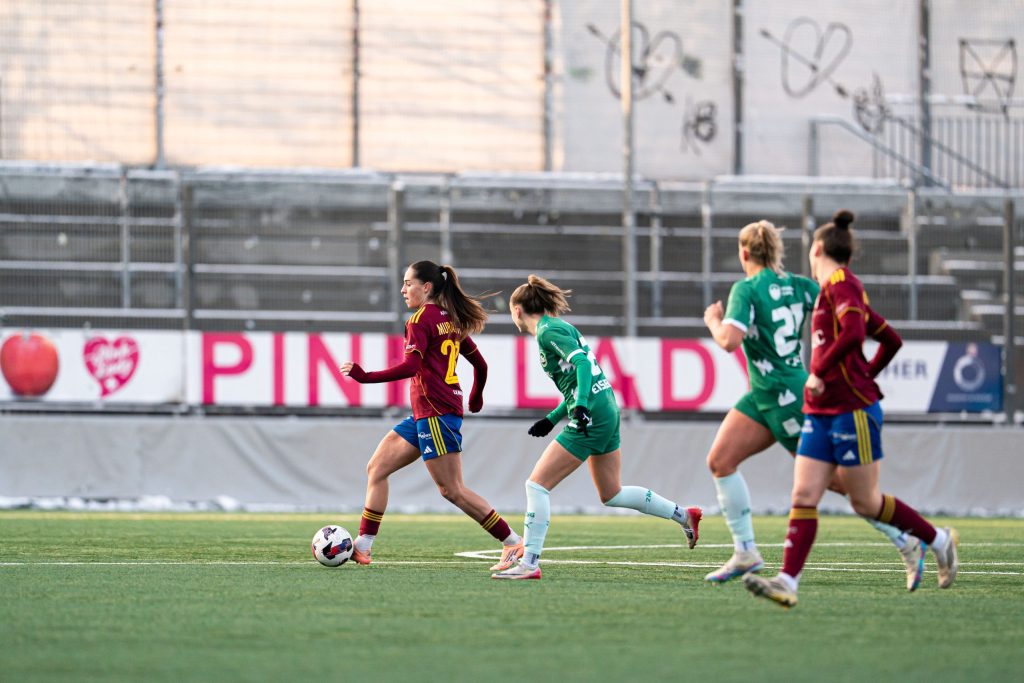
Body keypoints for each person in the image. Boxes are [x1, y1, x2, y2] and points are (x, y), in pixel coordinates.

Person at [743, 210, 960, 608]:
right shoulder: (832, 291)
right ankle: (787, 582)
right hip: (820, 410)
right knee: (804, 493)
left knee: (866, 502)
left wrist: (825, 372)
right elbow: (890, 339)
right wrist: (865, 373)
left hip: (851, 410)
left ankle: (938, 540)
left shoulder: (843, 283)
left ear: (818, 249)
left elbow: (856, 333)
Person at [702, 219, 922, 589]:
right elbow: (840, 305)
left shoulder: (746, 288)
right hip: (765, 392)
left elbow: (729, 341)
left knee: (839, 485)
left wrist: (713, 320)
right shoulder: (800, 285)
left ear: (744, 252)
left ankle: (906, 539)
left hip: (784, 396)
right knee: (721, 461)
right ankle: (745, 551)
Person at [491, 274, 702, 580]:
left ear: (517, 310)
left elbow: (582, 365)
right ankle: (684, 515)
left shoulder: (547, 332)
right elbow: (577, 381)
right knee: (611, 493)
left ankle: (530, 563)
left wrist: (580, 407)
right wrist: (553, 418)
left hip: (592, 414)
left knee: (536, 486)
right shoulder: (560, 327)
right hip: (606, 408)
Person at [341, 260, 523, 570]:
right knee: (377, 468)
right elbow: (481, 365)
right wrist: (476, 395)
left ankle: (512, 542)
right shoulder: (450, 320)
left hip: (436, 412)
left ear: (426, 287)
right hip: (426, 413)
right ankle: (363, 545)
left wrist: (365, 377)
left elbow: (411, 366)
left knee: (452, 490)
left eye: (408, 283)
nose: (403, 290)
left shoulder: (420, 320)